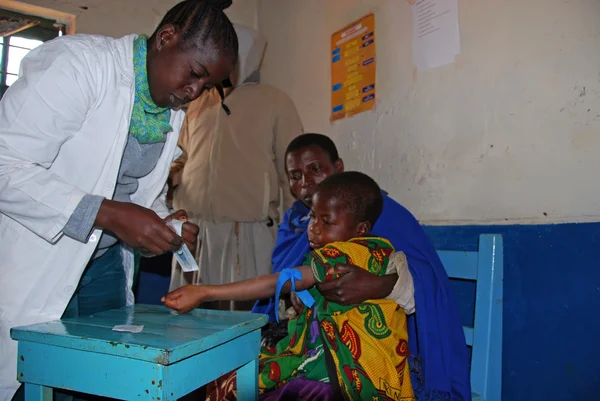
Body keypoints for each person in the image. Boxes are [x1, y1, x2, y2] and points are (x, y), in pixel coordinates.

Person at [0, 1, 238, 400]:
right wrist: (108, 214)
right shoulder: (79, 66)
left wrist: (165, 221)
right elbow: (6, 164)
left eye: (207, 86)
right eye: (195, 74)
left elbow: (136, 188)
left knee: (97, 382)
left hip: (105, 265)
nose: (195, 92)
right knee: (37, 383)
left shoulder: (167, 107)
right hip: (40, 260)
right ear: (165, 39)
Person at [253, 133, 471, 400]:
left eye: (315, 169)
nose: (306, 182)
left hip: (379, 354)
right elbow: (282, 280)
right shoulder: (294, 221)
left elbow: (427, 278)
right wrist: (296, 291)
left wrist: (378, 284)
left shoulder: (380, 211)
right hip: (311, 343)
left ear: (338, 168)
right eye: (295, 175)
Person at [163, 171, 415, 400]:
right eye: (313, 217)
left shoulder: (344, 253)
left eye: (326, 222)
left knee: (231, 377)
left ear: (360, 229)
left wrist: (205, 291)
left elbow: (278, 281)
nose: (313, 228)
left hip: (343, 368)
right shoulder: (379, 249)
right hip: (380, 371)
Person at [167, 24, 303, 310]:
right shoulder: (197, 102)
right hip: (197, 232)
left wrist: (294, 234)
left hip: (249, 233)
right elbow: (182, 158)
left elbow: (294, 173)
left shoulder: (275, 102)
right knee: (191, 319)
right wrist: (171, 181)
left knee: (248, 318)